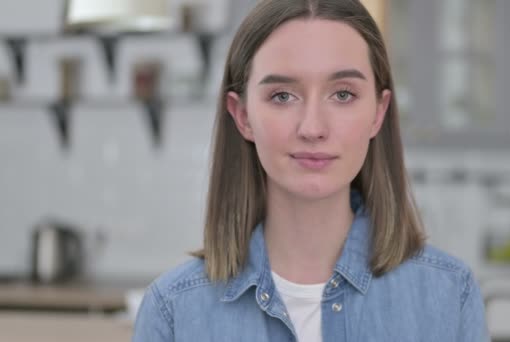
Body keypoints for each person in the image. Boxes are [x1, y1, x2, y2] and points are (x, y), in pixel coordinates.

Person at [133, 0, 489, 341]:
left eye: (343, 94)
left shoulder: (449, 295)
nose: (313, 127)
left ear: (378, 113)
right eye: (283, 96)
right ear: (242, 116)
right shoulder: (173, 309)